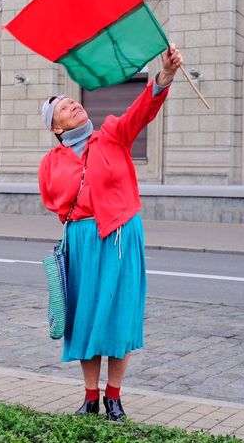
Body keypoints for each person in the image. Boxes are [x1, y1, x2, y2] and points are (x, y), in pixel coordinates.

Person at [38, 44, 183, 422]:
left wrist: (164, 76)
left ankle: (114, 398)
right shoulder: (51, 161)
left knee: (119, 315)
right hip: (81, 241)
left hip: (120, 235)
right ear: (56, 127)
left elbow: (143, 110)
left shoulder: (114, 134)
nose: (73, 105)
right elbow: (53, 201)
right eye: (63, 108)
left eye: (73, 101)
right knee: (85, 317)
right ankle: (89, 398)